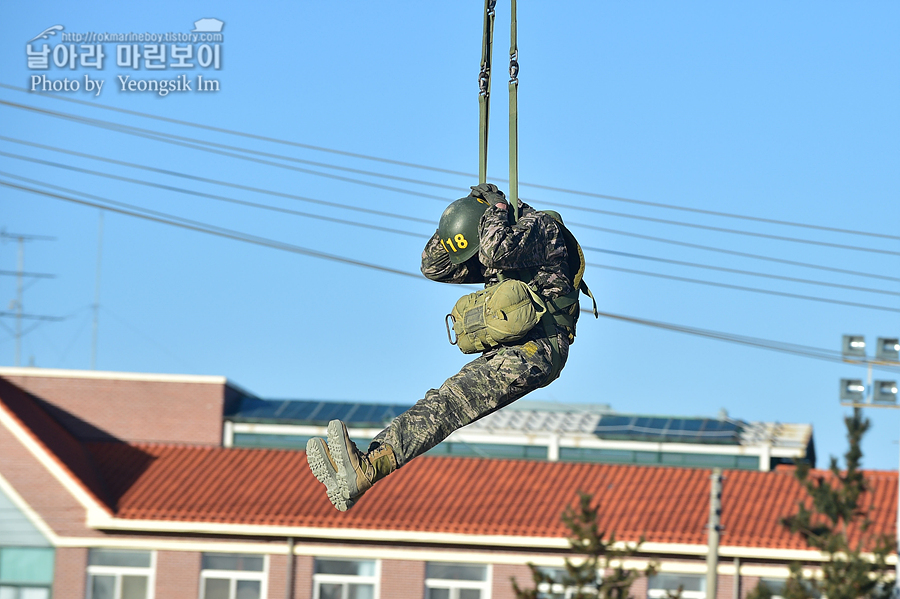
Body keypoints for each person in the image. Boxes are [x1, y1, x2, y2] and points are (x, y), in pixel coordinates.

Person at [306, 182, 584, 511]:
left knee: (450, 404)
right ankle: (364, 468)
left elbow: (494, 251)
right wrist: (464, 212)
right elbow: (434, 266)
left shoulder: (541, 230)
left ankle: (364, 470)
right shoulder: (498, 239)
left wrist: (494, 213)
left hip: (538, 349)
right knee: (442, 402)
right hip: (517, 350)